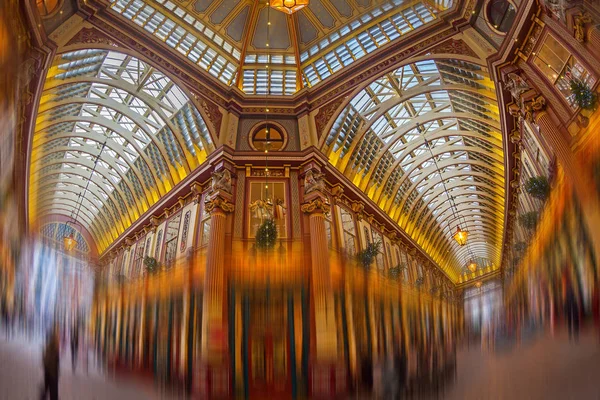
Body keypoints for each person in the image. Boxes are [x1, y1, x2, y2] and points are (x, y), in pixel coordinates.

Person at [40, 329, 60, 400]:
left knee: (47, 389)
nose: (59, 340)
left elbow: (44, 360)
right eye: (58, 338)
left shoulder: (47, 347)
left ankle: (43, 396)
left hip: (48, 372)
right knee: (53, 392)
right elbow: (55, 363)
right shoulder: (54, 350)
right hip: (52, 374)